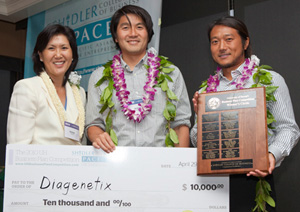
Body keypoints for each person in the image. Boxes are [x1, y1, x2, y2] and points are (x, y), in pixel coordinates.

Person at [190, 16, 300, 211]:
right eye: (215, 41)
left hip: (255, 181)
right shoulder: (207, 90)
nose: (221, 46)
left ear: (245, 42)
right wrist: (201, 118)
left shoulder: (269, 80)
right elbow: (197, 142)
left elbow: (288, 128)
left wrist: (271, 156)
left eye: (228, 39)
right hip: (213, 186)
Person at [85, 5, 191, 153]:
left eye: (139, 27)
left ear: (148, 34)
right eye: (125, 27)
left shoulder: (171, 73)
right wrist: (99, 136)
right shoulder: (100, 76)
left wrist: (179, 167)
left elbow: (180, 124)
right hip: (115, 164)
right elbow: (93, 124)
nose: (133, 33)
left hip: (160, 165)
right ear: (115, 36)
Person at [7, 24, 86, 145]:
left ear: (73, 54)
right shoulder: (27, 88)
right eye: (51, 48)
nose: (58, 54)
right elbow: (18, 147)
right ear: (41, 55)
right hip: (38, 163)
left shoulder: (79, 93)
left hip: (73, 163)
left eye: (64, 48)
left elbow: (80, 141)